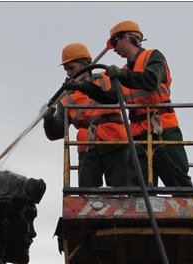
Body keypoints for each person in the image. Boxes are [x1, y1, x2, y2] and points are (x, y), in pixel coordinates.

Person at [65, 21, 193, 188]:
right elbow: (109, 99)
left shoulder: (152, 57)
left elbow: (150, 80)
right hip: (138, 133)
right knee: (139, 184)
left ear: (126, 38)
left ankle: (191, 207)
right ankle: (144, 213)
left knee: (176, 176)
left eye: (115, 43)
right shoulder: (125, 70)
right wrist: (83, 87)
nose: (114, 49)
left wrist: (121, 74)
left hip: (163, 128)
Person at [43, 43, 129, 188]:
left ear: (85, 65)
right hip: (87, 148)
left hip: (115, 142)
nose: (69, 73)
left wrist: (84, 86)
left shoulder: (107, 78)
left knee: (122, 192)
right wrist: (48, 119)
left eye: (72, 68)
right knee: (86, 195)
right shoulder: (65, 97)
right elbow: (56, 133)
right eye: (66, 69)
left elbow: (117, 96)